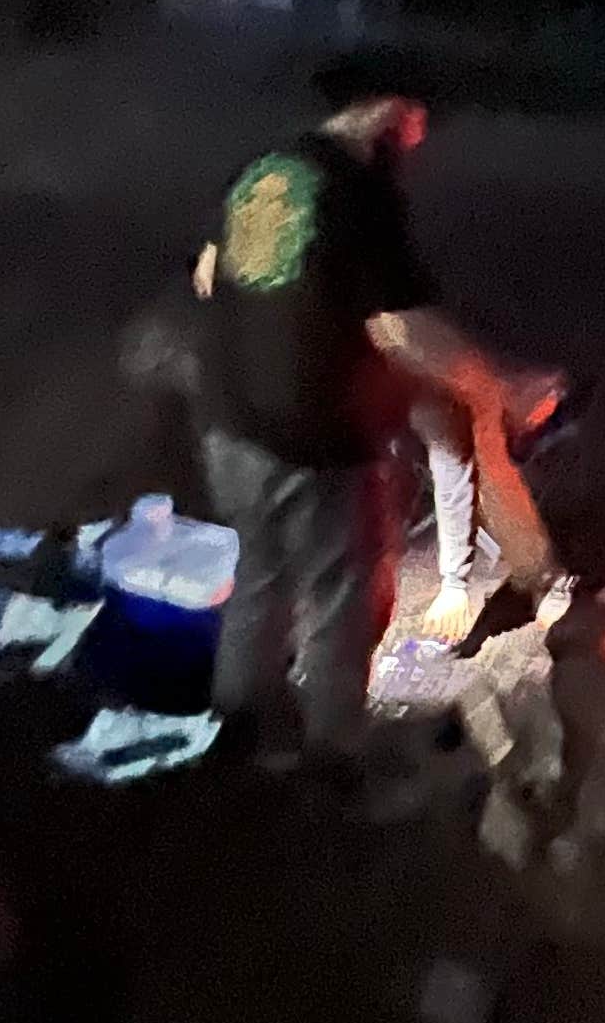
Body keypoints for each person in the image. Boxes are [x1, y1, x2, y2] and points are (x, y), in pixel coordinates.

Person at [193, 79, 560, 759]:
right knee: (347, 602)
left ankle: (238, 741)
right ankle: (331, 758)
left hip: (229, 423)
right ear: (389, 108)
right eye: (415, 125)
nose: (415, 143)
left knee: (261, 580)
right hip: (314, 441)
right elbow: (402, 327)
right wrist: (502, 386)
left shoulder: (263, 170)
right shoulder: (358, 190)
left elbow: (209, 276)